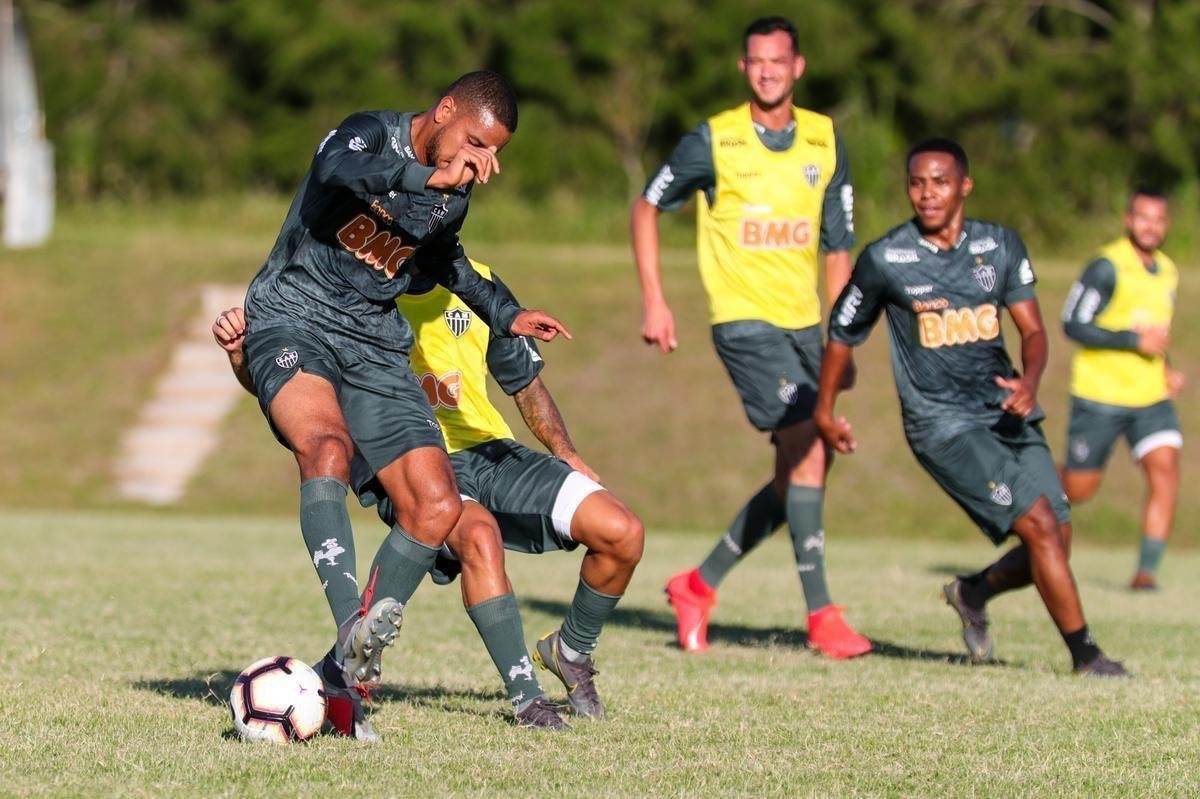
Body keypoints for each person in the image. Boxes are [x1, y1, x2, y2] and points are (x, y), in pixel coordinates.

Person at [223, 70, 570, 737]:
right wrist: (422, 180)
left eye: (494, 154)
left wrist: (508, 311)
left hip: (376, 343)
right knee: (324, 446)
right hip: (293, 315)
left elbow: (448, 262)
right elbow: (336, 169)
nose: (481, 163)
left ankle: (340, 670)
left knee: (438, 505)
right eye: (474, 141)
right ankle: (354, 618)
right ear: (443, 112)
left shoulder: (454, 196)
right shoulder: (366, 134)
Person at [214, 260, 642, 731]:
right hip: (411, 462)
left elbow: (524, 383)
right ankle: (527, 699)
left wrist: (567, 452)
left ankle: (570, 651)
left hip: (491, 452)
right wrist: (240, 353)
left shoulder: (480, 287)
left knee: (622, 532)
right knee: (479, 535)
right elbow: (288, 385)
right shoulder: (346, 290)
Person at [815, 137, 1127, 676]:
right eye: (916, 182)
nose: (926, 194)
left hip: (1006, 409)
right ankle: (1087, 656)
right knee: (1039, 525)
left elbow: (1033, 331)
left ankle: (973, 592)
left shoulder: (999, 245)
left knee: (1058, 534)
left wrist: (1030, 380)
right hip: (942, 425)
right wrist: (825, 409)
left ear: (964, 185)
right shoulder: (887, 258)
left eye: (939, 181)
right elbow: (842, 332)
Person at [629, 16, 869, 658]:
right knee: (810, 451)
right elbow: (646, 206)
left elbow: (838, 250)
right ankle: (822, 617)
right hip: (742, 322)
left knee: (798, 475)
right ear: (744, 69)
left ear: (798, 68)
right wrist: (655, 299)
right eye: (756, 61)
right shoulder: (716, 140)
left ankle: (697, 586)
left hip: (805, 328)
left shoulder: (824, 139)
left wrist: (840, 342)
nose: (767, 70)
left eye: (778, 61)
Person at [1059, 188, 1183, 591]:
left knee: (1165, 469)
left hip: (1149, 397)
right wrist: (1132, 343)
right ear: (1128, 219)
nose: (1151, 226)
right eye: (1143, 217)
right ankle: (1029, 489)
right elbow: (1072, 323)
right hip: (1101, 395)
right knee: (1079, 489)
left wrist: (1167, 369)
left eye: (1159, 219)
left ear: (1166, 225)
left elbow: (1154, 332)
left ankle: (1145, 573)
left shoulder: (1167, 270)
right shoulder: (1106, 267)